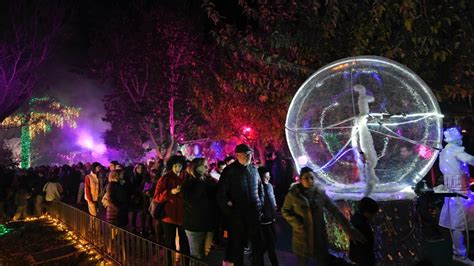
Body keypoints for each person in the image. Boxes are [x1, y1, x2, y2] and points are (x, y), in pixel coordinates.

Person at [281, 167, 366, 266]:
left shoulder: (320, 193)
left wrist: (349, 229)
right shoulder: (293, 195)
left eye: (312, 178)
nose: (310, 181)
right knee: (303, 262)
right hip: (302, 237)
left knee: (323, 261)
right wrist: (296, 222)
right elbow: (285, 210)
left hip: (319, 236)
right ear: (300, 179)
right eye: (306, 178)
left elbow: (335, 211)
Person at [217, 143, 265, 266]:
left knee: (257, 246)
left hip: (254, 214)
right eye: (246, 154)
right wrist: (230, 212)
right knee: (237, 248)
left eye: (250, 154)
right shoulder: (229, 171)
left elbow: (260, 189)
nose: (249, 157)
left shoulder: (254, 169)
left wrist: (260, 205)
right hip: (237, 217)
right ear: (238, 155)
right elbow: (221, 194)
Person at [437, 127, 474, 264]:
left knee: (457, 222)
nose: (461, 139)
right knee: (458, 223)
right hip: (459, 191)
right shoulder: (454, 150)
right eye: (459, 137)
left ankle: (458, 251)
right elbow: (469, 159)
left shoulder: (445, 151)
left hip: (454, 189)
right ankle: (460, 254)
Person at [154, 155, 190, 257]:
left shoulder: (187, 178)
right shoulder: (164, 179)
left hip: (184, 216)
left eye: (179, 166)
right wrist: (170, 192)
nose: (177, 168)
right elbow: (157, 197)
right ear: (171, 166)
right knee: (169, 243)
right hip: (168, 217)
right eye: (175, 166)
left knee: (185, 244)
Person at [182, 158, 218, 259]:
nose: (207, 167)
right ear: (196, 168)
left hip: (209, 223)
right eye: (204, 165)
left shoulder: (209, 180)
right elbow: (192, 198)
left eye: (207, 165)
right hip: (195, 225)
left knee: (207, 253)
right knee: (197, 255)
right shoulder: (189, 182)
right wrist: (200, 180)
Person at [349, 197, 379, 266]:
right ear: (368, 212)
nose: (373, 216)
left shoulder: (354, 220)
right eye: (373, 213)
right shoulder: (363, 227)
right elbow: (365, 252)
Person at [258, 167, 278, 266]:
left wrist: (275, 208)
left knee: (272, 240)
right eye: (266, 177)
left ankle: (257, 256)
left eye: (268, 176)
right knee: (270, 243)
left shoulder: (269, 186)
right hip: (264, 220)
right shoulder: (258, 187)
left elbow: (272, 198)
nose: (268, 178)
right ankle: (274, 263)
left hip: (271, 217)